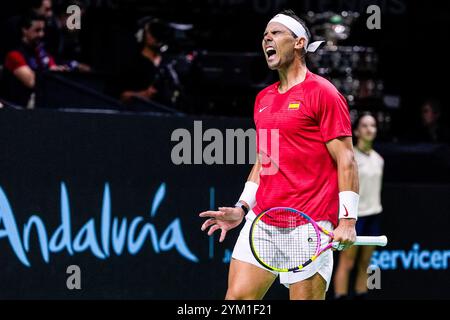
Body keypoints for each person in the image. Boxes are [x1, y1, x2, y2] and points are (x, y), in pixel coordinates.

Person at [199, 9, 359, 300]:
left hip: (310, 224)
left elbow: (346, 159)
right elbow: (265, 161)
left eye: (275, 33)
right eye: (264, 35)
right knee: (236, 301)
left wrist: (348, 220)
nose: (267, 39)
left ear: (299, 43)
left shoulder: (323, 93)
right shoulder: (264, 99)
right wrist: (242, 208)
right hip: (264, 221)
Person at [333, 113, 384, 300]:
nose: (369, 129)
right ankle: (340, 296)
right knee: (347, 263)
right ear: (356, 131)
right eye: (364, 125)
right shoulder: (350, 158)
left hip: (374, 214)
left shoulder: (379, 159)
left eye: (373, 125)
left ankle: (362, 295)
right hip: (355, 217)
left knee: (366, 263)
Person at [1, 12, 67, 107]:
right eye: (37, 30)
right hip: (15, 111)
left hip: (39, 107)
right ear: (24, 30)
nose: (41, 34)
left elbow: (53, 70)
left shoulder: (42, 53)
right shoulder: (14, 55)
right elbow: (32, 82)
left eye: (43, 30)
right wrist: (51, 74)